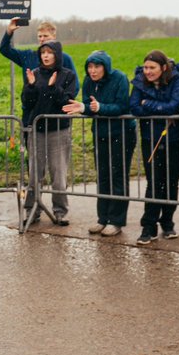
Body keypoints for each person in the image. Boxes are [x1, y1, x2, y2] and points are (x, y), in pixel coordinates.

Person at [63, 51, 135, 237]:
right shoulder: (88, 82)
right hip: (101, 133)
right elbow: (88, 106)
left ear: (106, 67)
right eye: (90, 67)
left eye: (97, 67)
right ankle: (102, 218)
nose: (93, 71)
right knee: (102, 175)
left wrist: (100, 107)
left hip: (122, 132)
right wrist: (85, 108)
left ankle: (116, 221)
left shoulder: (119, 78)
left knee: (118, 175)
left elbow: (122, 106)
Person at [130, 51, 179, 244]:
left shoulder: (178, 78)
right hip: (150, 137)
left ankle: (168, 222)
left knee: (171, 181)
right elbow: (134, 107)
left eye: (152, 68)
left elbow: (177, 105)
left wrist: (148, 103)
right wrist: (158, 108)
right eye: (146, 67)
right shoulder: (139, 80)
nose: (147, 72)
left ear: (163, 68)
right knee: (154, 181)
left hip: (176, 138)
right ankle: (149, 226)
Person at [21, 41, 77, 225]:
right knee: (35, 174)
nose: (45, 56)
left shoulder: (67, 75)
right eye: (43, 52)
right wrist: (30, 86)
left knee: (58, 174)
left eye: (49, 52)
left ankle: (60, 211)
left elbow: (67, 102)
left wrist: (54, 88)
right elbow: (27, 103)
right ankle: (31, 210)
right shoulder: (35, 74)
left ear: (57, 55)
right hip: (36, 130)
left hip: (58, 130)